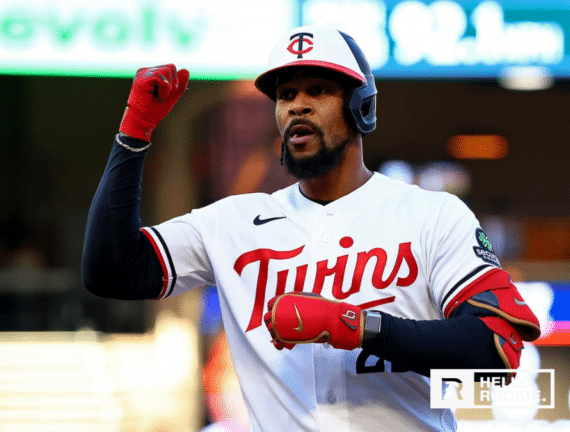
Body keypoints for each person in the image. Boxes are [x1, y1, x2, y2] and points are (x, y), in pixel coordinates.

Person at [82, 25, 541, 432]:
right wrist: (134, 131)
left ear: (361, 106)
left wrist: (359, 326)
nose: (297, 105)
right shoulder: (232, 221)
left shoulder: (432, 215)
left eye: (318, 90)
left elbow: (498, 345)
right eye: (285, 95)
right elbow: (111, 270)